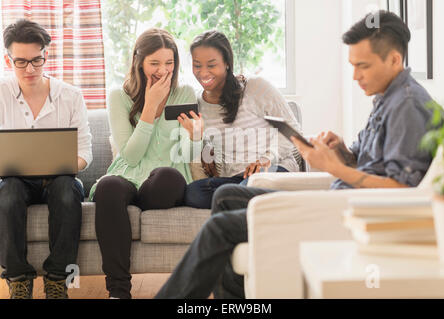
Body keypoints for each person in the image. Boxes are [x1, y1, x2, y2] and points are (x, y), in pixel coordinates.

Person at [155, 11, 444, 299]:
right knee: (226, 195)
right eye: (353, 66)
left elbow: (402, 191)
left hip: (347, 213)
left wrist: (334, 168)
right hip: (338, 196)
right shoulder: (386, 98)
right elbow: (369, 163)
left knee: (219, 227)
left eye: (363, 66)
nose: (355, 76)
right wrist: (341, 151)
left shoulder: (407, 107)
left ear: (394, 60)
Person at [90, 28, 203, 299]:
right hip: (128, 176)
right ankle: (118, 292)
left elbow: (185, 155)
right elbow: (129, 157)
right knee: (108, 187)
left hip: (164, 181)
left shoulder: (184, 92)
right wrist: (150, 107)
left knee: (168, 176)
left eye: (169, 63)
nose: (163, 70)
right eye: (155, 63)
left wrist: (196, 136)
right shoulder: (119, 96)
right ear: (139, 62)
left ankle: (140, 199)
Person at [0, 19, 92, 299]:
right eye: (21, 62)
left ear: (46, 55)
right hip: (15, 180)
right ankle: (18, 278)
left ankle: (57, 280)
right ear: (8, 60)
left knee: (66, 188)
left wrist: (61, 165)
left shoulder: (71, 96)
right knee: (8, 192)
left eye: (36, 61)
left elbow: (85, 152)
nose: (30, 69)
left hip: (60, 179)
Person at [184, 30, 301, 209]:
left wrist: (267, 158)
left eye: (211, 65)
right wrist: (205, 151)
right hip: (234, 179)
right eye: (197, 65)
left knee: (236, 191)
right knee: (193, 193)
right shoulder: (199, 104)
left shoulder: (256, 87)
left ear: (227, 64)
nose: (203, 73)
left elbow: (292, 131)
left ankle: (245, 200)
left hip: (271, 170)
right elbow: (210, 152)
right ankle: (262, 202)